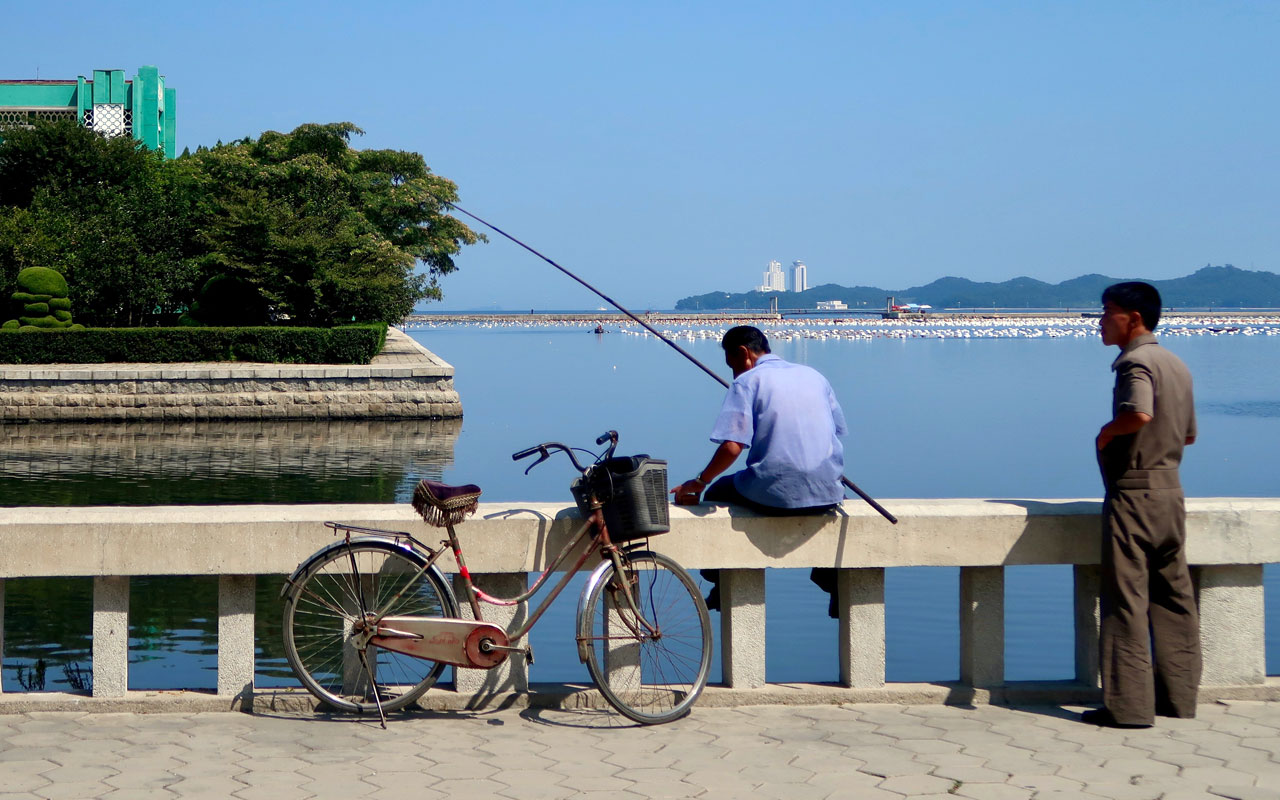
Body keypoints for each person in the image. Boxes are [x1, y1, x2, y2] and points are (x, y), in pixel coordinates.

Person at [1083, 282, 1200, 729]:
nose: (1100, 320)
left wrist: (1108, 433)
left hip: (1135, 491)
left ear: (1134, 318)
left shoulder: (1136, 361)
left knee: (1127, 598)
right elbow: (1188, 434)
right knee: (1174, 598)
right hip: (1171, 490)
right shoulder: (1176, 363)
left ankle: (1128, 708)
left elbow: (1140, 413)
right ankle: (1179, 697)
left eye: (1106, 312)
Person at [671, 326, 848, 614]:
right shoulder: (815, 376)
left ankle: (717, 578)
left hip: (776, 496)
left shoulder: (747, 382)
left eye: (732, 365)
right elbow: (836, 430)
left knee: (718, 490)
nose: (733, 374)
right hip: (829, 491)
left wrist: (700, 481)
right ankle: (829, 576)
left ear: (743, 353)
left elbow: (732, 447)